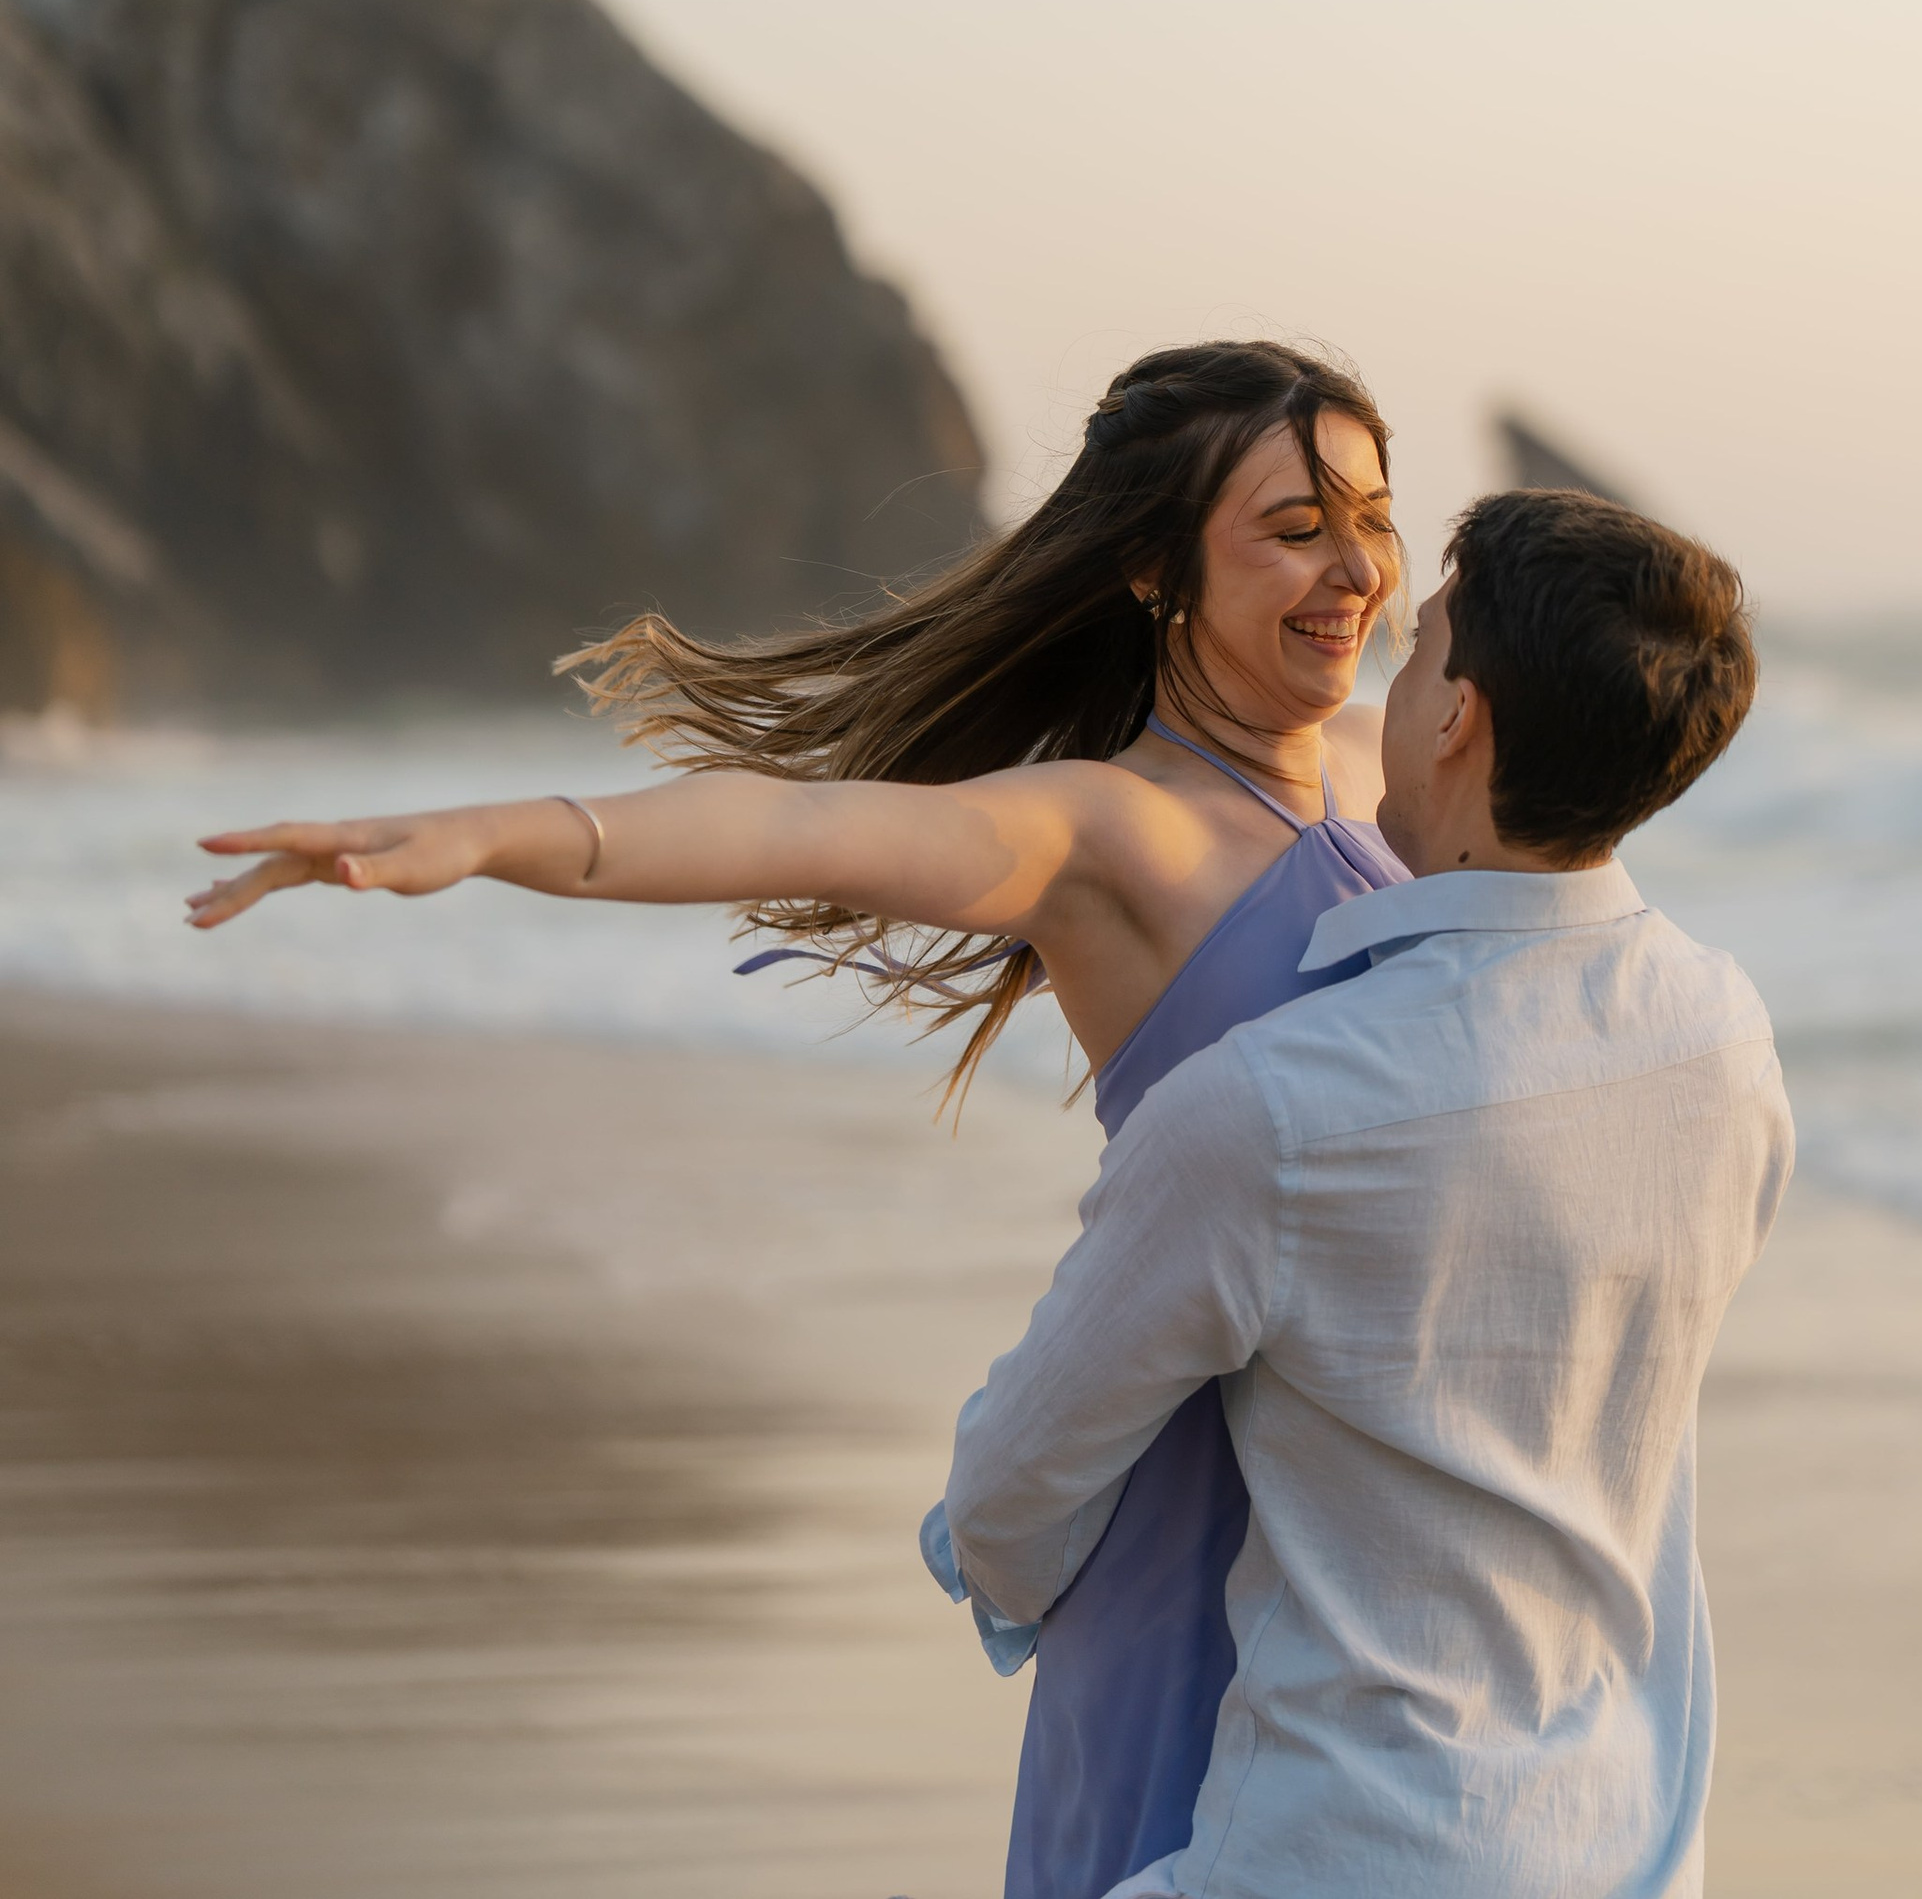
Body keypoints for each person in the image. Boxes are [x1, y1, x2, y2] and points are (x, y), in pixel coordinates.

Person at [186, 338, 1409, 1899]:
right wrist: (487, 832)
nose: (1354, 568)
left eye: (1372, 516)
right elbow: (807, 825)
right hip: (1206, 1471)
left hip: (1380, 1461)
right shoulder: (1115, 833)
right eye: (1295, 527)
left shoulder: (1399, 770)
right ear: (1154, 568)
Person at [939, 483, 1789, 1899]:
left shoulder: (1276, 1103)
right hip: (1636, 1856)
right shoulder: (1727, 1036)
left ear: (1459, 713)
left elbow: (1005, 1500)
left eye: (1418, 647)